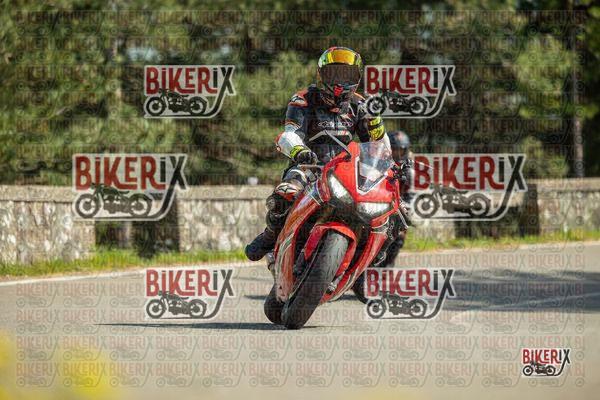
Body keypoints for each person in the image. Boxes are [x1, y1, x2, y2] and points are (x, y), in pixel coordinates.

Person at [245, 46, 386, 261]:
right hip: (308, 168)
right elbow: (289, 135)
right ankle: (271, 235)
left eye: (346, 75)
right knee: (286, 193)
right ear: (321, 74)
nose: (339, 82)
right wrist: (300, 151)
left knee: (388, 210)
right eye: (334, 74)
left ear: (356, 78)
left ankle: (373, 254)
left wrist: (392, 161)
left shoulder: (361, 105)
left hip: (346, 173)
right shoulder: (303, 100)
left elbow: (378, 146)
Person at [384, 130, 414, 267]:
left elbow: (409, 195)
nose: (397, 154)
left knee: (400, 235)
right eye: (394, 150)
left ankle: (386, 268)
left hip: (395, 206)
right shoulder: (375, 161)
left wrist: (406, 209)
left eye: (400, 151)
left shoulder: (409, 169)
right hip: (375, 202)